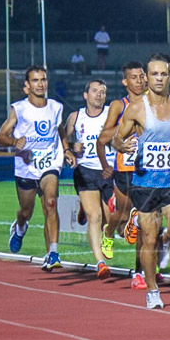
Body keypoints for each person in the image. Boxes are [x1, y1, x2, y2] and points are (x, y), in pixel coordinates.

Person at [112, 53, 170, 309]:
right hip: (145, 182)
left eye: (164, 74)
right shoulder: (137, 108)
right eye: (154, 74)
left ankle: (139, 221)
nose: (159, 78)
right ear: (147, 78)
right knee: (149, 240)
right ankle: (152, 290)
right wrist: (122, 145)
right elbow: (116, 138)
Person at [0, 66, 67, 270]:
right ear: (27, 86)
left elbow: (59, 130)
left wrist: (67, 149)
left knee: (51, 203)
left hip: (49, 164)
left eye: (43, 79)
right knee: (26, 211)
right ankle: (19, 227)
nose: (40, 84)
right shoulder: (19, 109)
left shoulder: (55, 107)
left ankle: (52, 253)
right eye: (35, 80)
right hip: (26, 167)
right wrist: (14, 141)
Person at [97, 62, 148, 283]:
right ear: (125, 81)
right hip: (125, 167)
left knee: (146, 223)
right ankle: (108, 233)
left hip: (148, 169)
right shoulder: (119, 105)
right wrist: (127, 127)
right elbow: (104, 134)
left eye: (141, 76)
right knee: (123, 214)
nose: (139, 81)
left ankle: (139, 273)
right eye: (134, 77)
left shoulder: (153, 103)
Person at [63, 79, 115, 279]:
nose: (99, 95)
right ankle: (100, 262)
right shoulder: (76, 117)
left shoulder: (113, 113)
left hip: (109, 171)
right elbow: (64, 139)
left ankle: (86, 208)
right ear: (86, 95)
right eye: (95, 91)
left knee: (112, 220)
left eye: (102, 91)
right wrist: (71, 147)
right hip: (86, 171)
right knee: (95, 217)